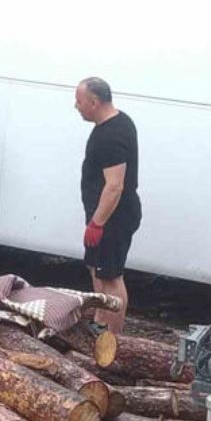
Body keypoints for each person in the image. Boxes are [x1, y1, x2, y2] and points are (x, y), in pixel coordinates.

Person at [75, 77, 140, 334]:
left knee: (111, 277)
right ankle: (100, 321)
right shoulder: (113, 122)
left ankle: (114, 340)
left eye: (79, 101)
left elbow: (114, 186)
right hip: (102, 215)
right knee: (96, 267)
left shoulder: (112, 135)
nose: (76, 106)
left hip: (114, 217)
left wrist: (97, 223)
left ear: (94, 102)